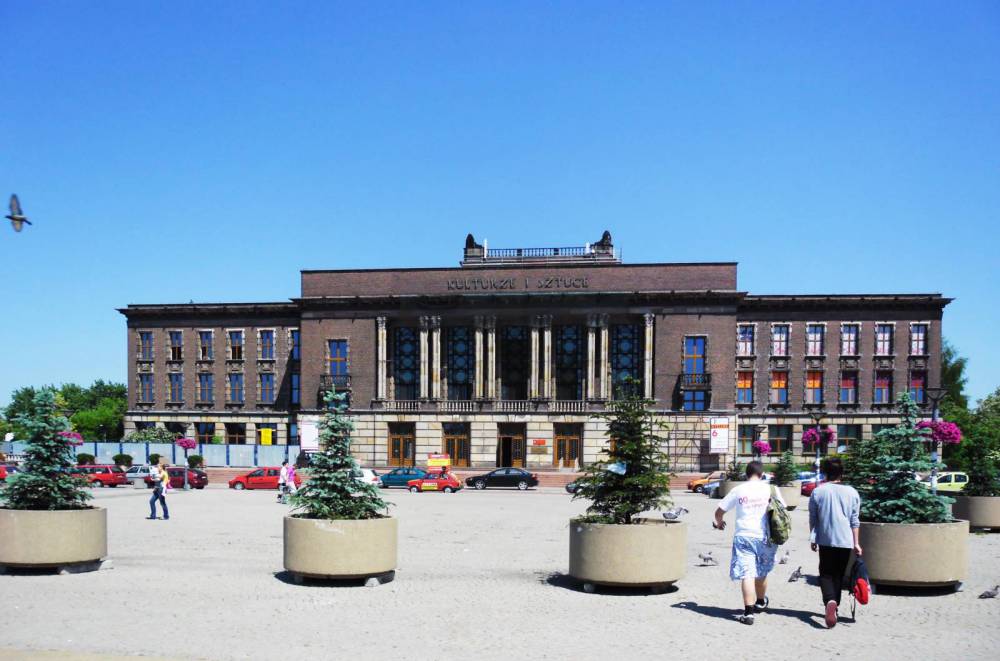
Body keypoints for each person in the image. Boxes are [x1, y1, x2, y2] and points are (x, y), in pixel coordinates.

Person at [713, 460, 786, 625]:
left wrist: (719, 522)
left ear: (746, 474)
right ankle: (760, 601)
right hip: (766, 537)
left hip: (744, 536)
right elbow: (783, 508)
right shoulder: (771, 489)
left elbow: (719, 511)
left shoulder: (739, 490)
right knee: (762, 572)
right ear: (762, 474)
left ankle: (748, 614)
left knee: (747, 574)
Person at [809, 457, 862, 629]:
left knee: (825, 573)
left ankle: (830, 601)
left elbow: (813, 518)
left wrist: (813, 537)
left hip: (826, 539)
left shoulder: (818, 492)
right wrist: (856, 543)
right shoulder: (852, 492)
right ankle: (835, 605)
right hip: (846, 540)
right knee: (838, 574)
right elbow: (855, 520)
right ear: (842, 473)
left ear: (825, 473)